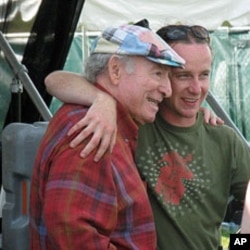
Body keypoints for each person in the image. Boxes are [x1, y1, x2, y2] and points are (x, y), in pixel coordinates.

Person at [45, 24, 250, 250]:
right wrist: (102, 100)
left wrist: (240, 244)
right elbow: (54, 80)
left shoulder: (224, 139)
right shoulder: (129, 123)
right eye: (181, 75)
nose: (196, 88)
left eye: (204, 75)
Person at [29, 23, 186, 249]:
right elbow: (75, 237)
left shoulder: (107, 120)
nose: (168, 89)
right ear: (115, 70)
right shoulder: (92, 130)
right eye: (158, 73)